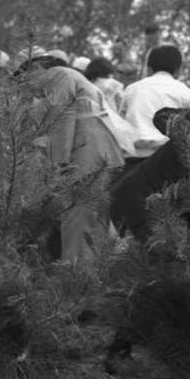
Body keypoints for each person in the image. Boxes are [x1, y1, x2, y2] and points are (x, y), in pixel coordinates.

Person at [23, 53, 124, 262]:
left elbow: (62, 119)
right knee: (96, 222)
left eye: (26, 77)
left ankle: (75, 281)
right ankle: (100, 277)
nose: (26, 86)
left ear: (39, 68)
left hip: (86, 157)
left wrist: (57, 168)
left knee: (76, 221)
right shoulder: (76, 79)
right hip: (102, 154)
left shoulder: (58, 76)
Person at [119, 44, 190, 166]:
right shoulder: (186, 93)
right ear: (177, 71)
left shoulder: (132, 89)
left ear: (149, 69)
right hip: (170, 159)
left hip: (133, 157)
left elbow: (121, 125)